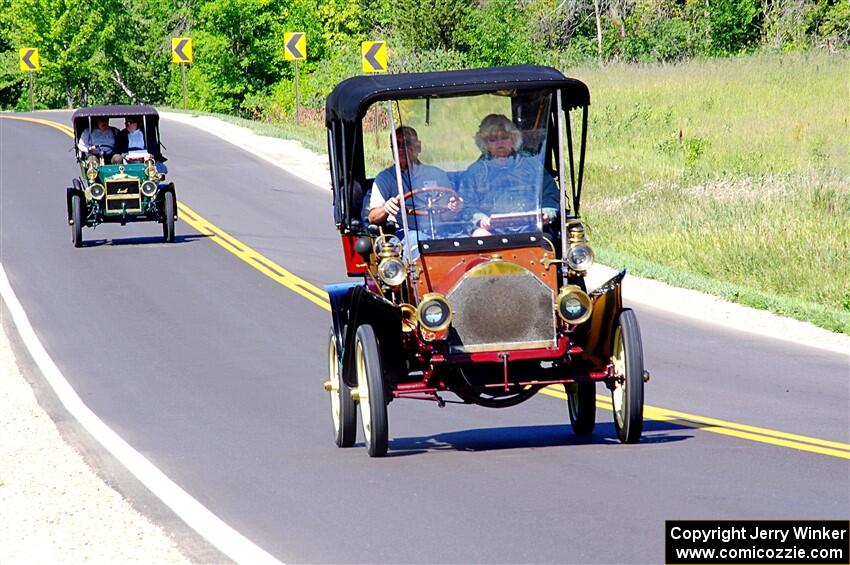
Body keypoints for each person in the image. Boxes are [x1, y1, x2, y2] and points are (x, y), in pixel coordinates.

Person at [460, 114, 560, 237]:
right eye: (493, 139)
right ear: (485, 143)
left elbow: (550, 195)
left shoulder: (532, 165)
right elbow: (466, 205)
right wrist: (480, 220)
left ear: (513, 139)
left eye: (504, 137)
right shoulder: (475, 172)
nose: (499, 143)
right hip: (492, 234)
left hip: (532, 229)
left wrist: (546, 213)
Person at [364, 126, 461, 243]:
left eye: (407, 143)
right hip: (405, 235)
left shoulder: (436, 174)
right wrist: (386, 208)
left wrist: (455, 207)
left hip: (440, 231)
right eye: (396, 144)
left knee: (464, 240)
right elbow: (372, 217)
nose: (401, 149)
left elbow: (448, 215)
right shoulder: (384, 178)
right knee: (418, 241)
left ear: (418, 146)